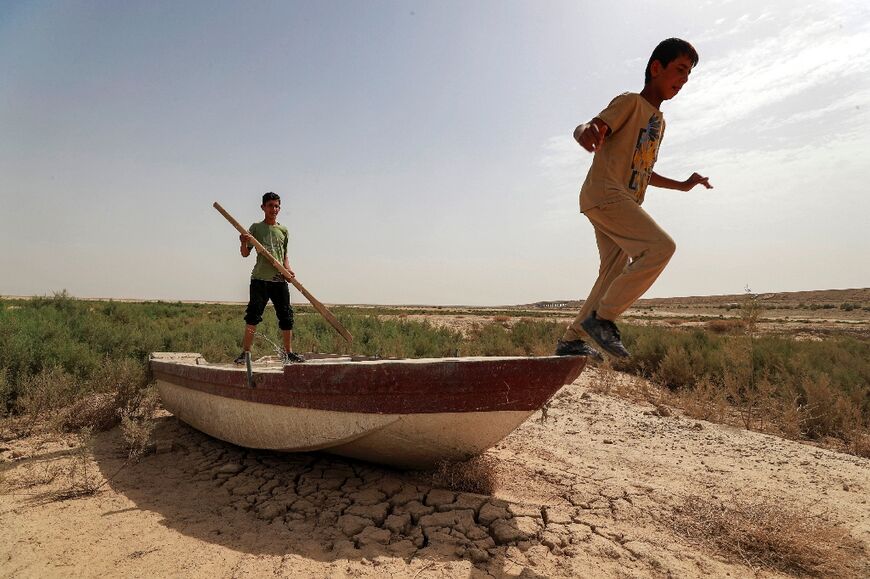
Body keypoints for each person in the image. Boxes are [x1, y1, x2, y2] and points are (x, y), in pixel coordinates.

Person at [556, 38, 713, 360]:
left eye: (689, 75)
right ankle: (602, 319)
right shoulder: (630, 102)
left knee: (612, 273)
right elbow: (590, 125)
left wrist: (684, 185)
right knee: (660, 247)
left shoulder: (659, 121)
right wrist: (584, 132)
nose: (684, 80)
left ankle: (571, 340)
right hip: (606, 194)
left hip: (619, 201)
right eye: (680, 70)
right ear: (657, 68)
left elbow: (643, 170)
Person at [234, 192, 305, 364]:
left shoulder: (283, 231)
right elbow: (245, 254)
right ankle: (246, 354)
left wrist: (288, 270)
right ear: (263, 207)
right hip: (260, 280)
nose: (274, 209)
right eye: (270, 206)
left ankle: (288, 353)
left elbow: (284, 255)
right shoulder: (256, 228)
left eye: (276, 206)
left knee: (286, 316)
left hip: (279, 280)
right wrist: (243, 241)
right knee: (253, 315)